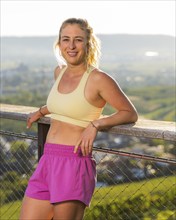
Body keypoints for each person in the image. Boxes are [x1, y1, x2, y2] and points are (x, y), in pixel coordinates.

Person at [19, 18, 138, 220]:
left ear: (88, 43)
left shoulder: (98, 79)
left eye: (78, 40)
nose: (71, 46)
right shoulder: (60, 72)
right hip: (47, 159)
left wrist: (96, 124)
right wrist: (41, 111)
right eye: (66, 39)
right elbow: (65, 104)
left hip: (73, 162)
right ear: (59, 43)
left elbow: (129, 112)